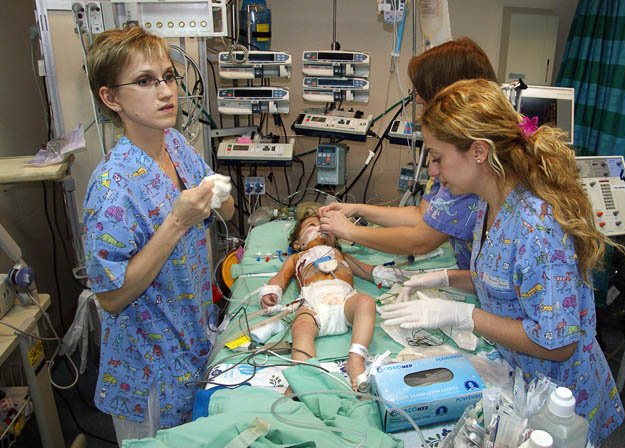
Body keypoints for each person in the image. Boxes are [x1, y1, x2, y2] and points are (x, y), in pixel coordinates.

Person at [380, 79, 624, 444]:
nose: (432, 170)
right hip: (521, 378)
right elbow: (505, 279)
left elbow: (558, 343)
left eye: (436, 156)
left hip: (561, 404)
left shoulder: (537, 226)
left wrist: (465, 316)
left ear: (479, 151)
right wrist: (442, 278)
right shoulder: (490, 202)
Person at [81, 27, 234, 444]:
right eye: (146, 81)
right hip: (147, 374)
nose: (166, 91)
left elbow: (227, 210)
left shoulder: (176, 146)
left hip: (192, 346)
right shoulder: (112, 187)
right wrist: (176, 223)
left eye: (169, 76)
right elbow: (110, 297)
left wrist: (220, 192)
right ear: (111, 98)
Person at [319, 37, 496, 271]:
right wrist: (358, 209)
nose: (418, 99)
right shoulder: (461, 164)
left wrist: (350, 231)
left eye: (423, 91)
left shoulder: (472, 172)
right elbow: (422, 215)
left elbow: (421, 239)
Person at [259, 213, 377, 391]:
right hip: (313, 304)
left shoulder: (339, 254)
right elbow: (280, 278)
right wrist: (271, 292)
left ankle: (356, 358)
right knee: (301, 327)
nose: (319, 228)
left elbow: (368, 271)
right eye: (312, 225)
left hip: (345, 300)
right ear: (298, 244)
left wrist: (389, 275)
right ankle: (304, 376)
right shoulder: (297, 257)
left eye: (325, 226)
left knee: (366, 302)